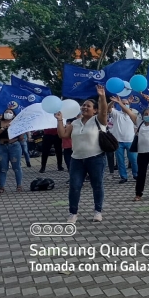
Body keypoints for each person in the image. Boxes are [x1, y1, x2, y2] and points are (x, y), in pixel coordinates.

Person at [55, 85, 109, 223]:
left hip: (96, 158)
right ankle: (73, 213)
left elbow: (104, 111)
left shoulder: (99, 120)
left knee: (97, 185)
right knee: (75, 186)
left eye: (88, 106)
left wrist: (102, 96)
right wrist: (60, 119)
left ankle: (98, 211)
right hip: (77, 160)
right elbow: (63, 134)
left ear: (95, 110)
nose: (84, 107)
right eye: (83, 105)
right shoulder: (75, 123)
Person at [108, 96, 138, 184]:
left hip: (130, 141)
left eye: (127, 104)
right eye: (123, 104)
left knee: (133, 159)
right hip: (118, 142)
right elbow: (108, 108)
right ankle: (123, 176)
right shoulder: (116, 113)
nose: (125, 105)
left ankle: (136, 174)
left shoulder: (133, 114)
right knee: (120, 160)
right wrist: (113, 102)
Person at [0, 108, 24, 193]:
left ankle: (19, 186)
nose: (8, 113)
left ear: (13, 115)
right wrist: (3, 128)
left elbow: (21, 138)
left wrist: (22, 132)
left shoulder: (16, 123)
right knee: (3, 168)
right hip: (1, 147)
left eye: (10, 112)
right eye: (6, 112)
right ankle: (2, 187)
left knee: (16, 167)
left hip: (14, 146)